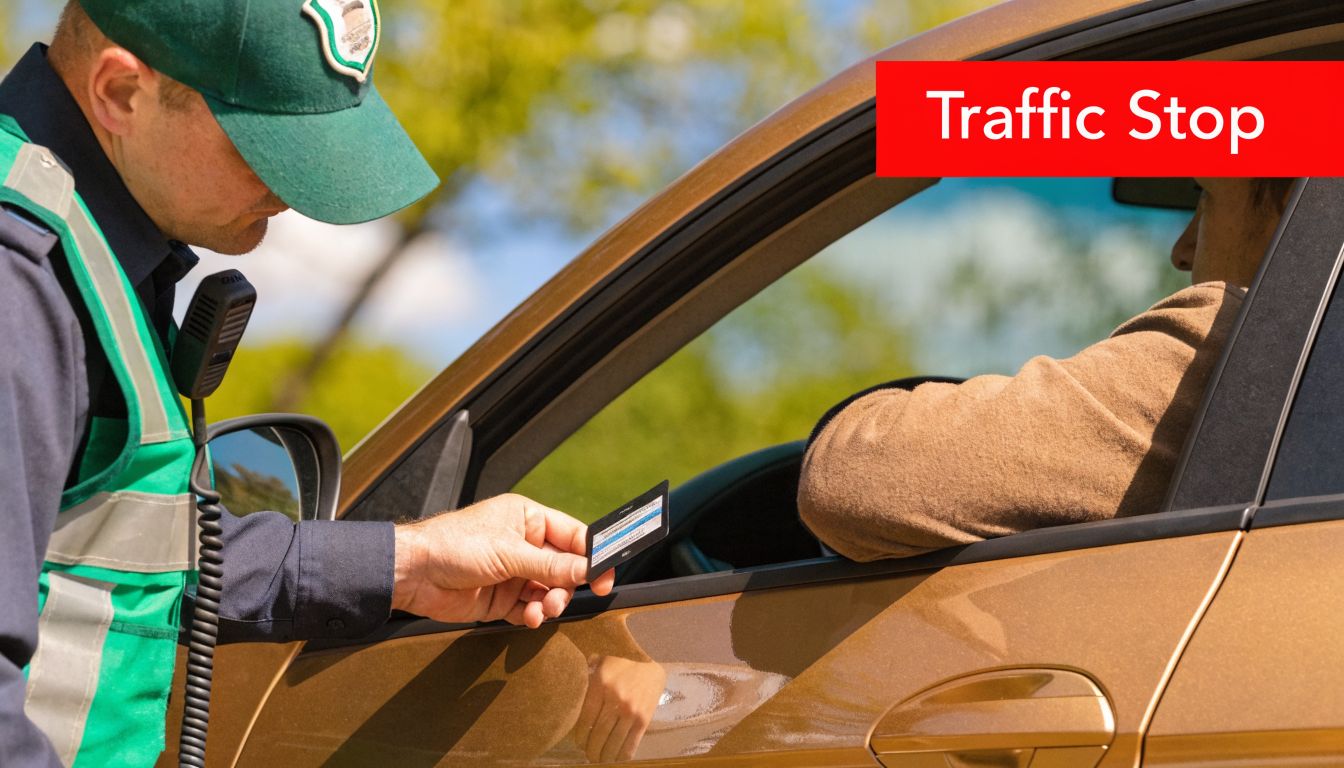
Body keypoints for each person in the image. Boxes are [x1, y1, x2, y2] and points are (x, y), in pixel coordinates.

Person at [0, 2, 613, 766]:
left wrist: (410, 562)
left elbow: (119, 554)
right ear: (121, 92)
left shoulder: (80, 249)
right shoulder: (17, 280)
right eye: (264, 145)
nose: (290, 192)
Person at [797, 177, 1293, 561]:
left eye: (1205, 196)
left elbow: (851, 477)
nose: (1181, 250)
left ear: (1293, 205)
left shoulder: (1249, 344)